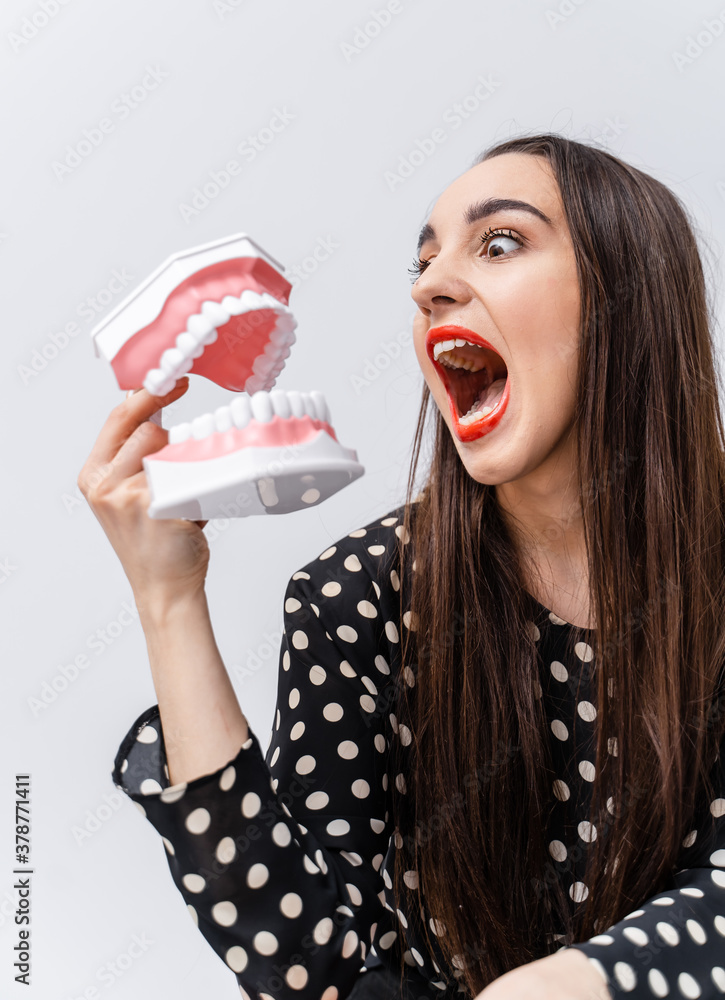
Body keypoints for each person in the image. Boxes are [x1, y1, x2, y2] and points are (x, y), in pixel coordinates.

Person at [77, 133, 725, 1000]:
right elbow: (313, 963)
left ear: (627, 298)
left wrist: (576, 984)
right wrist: (167, 597)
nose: (428, 286)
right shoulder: (356, 599)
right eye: (421, 265)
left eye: (499, 244)